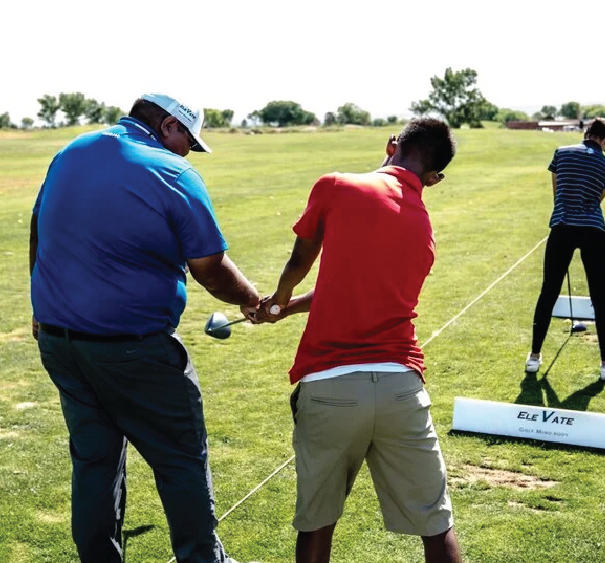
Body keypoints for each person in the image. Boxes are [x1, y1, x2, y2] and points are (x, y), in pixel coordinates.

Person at [29, 93, 262, 563]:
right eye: (188, 142)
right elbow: (210, 268)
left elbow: (39, 227)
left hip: (60, 342)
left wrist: (37, 305)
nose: (187, 153)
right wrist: (251, 299)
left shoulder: (71, 151)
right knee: (181, 461)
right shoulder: (173, 172)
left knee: (95, 462)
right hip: (134, 351)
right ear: (170, 125)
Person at [251, 119, 464, 563]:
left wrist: (279, 300)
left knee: (317, 523)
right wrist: (288, 309)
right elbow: (356, 288)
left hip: (329, 385)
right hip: (402, 389)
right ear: (435, 179)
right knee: (436, 525)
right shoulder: (424, 229)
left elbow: (301, 259)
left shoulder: (336, 185)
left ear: (391, 144)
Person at [526, 118, 605, 382]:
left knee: (548, 291)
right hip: (593, 230)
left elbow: (557, 193)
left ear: (587, 133)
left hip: (562, 226)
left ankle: (534, 357)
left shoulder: (561, 152)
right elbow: (597, 200)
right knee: (600, 297)